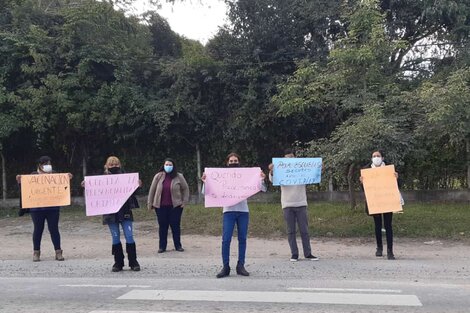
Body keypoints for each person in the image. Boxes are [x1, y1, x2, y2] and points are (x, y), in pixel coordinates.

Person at [201, 152, 266, 278]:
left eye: (235, 160)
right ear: (227, 163)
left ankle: (240, 265)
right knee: (226, 240)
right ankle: (225, 267)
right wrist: (205, 181)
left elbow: (262, 189)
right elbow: (206, 192)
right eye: (231, 161)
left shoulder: (245, 176)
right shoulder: (221, 177)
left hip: (243, 211)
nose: (233, 162)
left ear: (239, 162)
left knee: (242, 239)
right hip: (228, 211)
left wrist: (261, 179)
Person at [16, 156, 72, 262]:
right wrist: (20, 182)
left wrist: (68, 179)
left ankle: (58, 252)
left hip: (53, 208)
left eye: (49, 163)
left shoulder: (55, 175)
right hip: (37, 209)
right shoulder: (33, 175)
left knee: (54, 229)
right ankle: (36, 252)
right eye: (45, 164)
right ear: (40, 165)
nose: (47, 166)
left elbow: (63, 188)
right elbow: (26, 190)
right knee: (38, 230)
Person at [268, 149, 319, 262]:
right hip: (287, 204)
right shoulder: (280, 170)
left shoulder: (302, 168)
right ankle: (294, 254)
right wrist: (271, 171)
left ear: (295, 158)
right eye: (287, 158)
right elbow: (272, 180)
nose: (290, 160)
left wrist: (319, 168)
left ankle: (308, 253)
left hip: (301, 203)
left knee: (304, 230)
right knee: (291, 231)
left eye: (291, 157)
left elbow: (314, 174)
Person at [100, 156, 141, 272]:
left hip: (125, 210)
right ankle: (118, 262)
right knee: (115, 237)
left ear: (120, 165)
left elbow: (134, 192)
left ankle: (133, 261)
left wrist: (138, 185)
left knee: (129, 235)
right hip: (110, 212)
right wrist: (86, 186)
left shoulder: (126, 177)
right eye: (111, 165)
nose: (114, 167)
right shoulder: (102, 180)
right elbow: (94, 193)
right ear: (107, 166)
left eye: (116, 164)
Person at [360, 150, 398, 260]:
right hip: (375, 202)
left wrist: (396, 178)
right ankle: (379, 247)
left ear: (382, 157)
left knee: (388, 225)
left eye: (378, 156)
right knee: (377, 225)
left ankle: (390, 251)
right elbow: (365, 190)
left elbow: (396, 185)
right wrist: (362, 183)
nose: (376, 157)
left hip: (387, 200)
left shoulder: (389, 169)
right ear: (371, 158)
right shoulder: (367, 170)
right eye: (374, 156)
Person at [147, 158, 190, 253]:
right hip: (160, 206)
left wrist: (184, 201)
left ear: (173, 166)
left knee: (175, 226)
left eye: (170, 165)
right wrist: (150, 203)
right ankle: (162, 247)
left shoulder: (179, 176)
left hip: (175, 206)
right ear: (163, 165)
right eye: (166, 164)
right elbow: (152, 190)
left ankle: (178, 245)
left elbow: (185, 189)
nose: (168, 166)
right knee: (162, 226)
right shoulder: (158, 176)